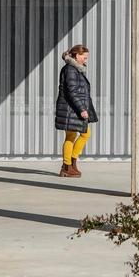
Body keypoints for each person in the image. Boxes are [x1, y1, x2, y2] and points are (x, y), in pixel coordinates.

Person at [55, 44, 98, 178]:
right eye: (84, 57)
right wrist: (82, 109)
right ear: (77, 55)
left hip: (72, 108)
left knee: (81, 135)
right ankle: (67, 166)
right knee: (73, 136)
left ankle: (70, 163)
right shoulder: (70, 70)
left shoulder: (76, 69)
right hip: (71, 108)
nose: (86, 60)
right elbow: (72, 92)